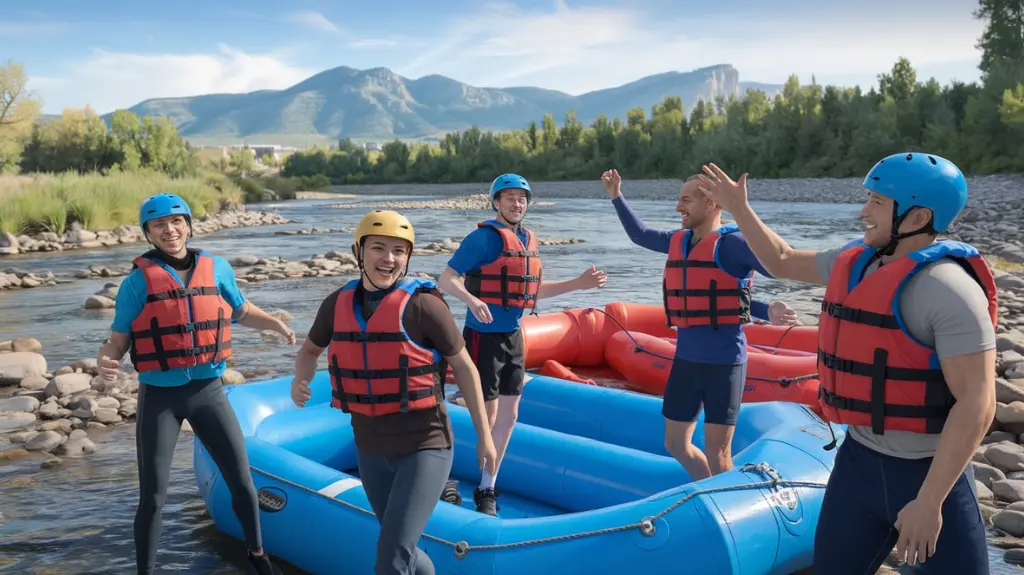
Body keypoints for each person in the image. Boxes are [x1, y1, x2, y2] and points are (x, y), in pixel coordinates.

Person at [696, 153, 997, 574]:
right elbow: (780, 260)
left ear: (917, 216)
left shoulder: (950, 291)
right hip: (859, 465)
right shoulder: (857, 261)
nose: (863, 212)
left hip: (929, 475)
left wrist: (929, 502)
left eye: (876, 202)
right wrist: (740, 208)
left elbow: (978, 404)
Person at [95, 193, 294, 575]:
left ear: (188, 224)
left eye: (176, 222)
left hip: (209, 392)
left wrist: (275, 323)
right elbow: (118, 338)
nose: (169, 230)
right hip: (161, 399)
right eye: (159, 225)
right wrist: (107, 360)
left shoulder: (217, 268)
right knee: (153, 497)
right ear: (149, 234)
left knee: (242, 482)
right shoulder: (137, 283)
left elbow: (242, 310)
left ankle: (257, 556)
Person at [289, 210, 497, 575]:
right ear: (359, 251)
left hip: (425, 446)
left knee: (391, 556)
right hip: (370, 449)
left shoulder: (425, 306)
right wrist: (299, 380)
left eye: (399, 251)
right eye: (379, 248)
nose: (389, 259)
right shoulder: (337, 305)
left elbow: (465, 368)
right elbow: (309, 350)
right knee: (402, 549)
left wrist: (485, 437)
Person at [600, 169, 800, 482]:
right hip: (686, 361)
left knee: (719, 456)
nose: (679, 206)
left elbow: (777, 267)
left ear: (712, 204)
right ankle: (710, 490)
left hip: (724, 365)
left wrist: (769, 307)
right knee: (675, 443)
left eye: (686, 200)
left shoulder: (732, 245)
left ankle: (728, 509)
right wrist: (616, 195)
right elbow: (639, 234)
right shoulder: (678, 241)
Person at [438, 173, 608, 515]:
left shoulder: (529, 240)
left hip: (513, 336)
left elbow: (532, 291)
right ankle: (442, 477)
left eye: (522, 198)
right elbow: (446, 278)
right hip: (482, 336)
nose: (517, 203)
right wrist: (471, 300)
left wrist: (579, 283)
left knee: (510, 414)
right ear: (496, 202)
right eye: (510, 197)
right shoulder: (482, 239)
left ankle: (487, 487)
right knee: (486, 417)